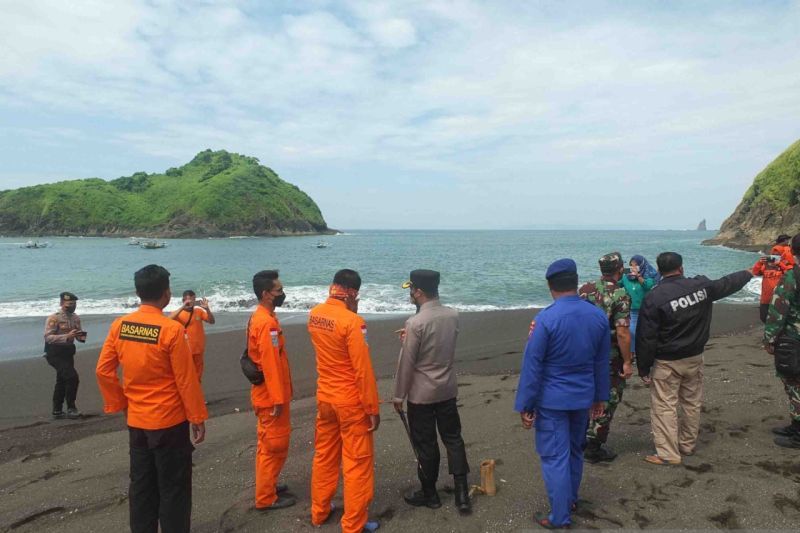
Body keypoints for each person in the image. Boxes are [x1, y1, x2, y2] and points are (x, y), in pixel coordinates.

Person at [96, 265, 208, 533]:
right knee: (173, 489)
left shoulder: (120, 325)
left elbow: (103, 370)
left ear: (138, 292)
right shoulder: (170, 330)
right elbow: (186, 379)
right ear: (167, 294)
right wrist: (197, 417)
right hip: (169, 422)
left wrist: (120, 404)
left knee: (142, 487)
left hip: (137, 422)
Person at [515, 258, 610, 529]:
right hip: (583, 396)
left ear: (550, 285)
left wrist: (526, 404)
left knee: (555, 456)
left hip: (552, 399)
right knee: (574, 451)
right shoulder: (597, 316)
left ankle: (560, 516)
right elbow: (601, 361)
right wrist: (600, 397)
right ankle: (570, 500)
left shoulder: (545, 318)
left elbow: (532, 365)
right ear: (576, 282)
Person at [636, 252, 752, 465]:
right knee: (691, 402)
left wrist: (643, 368)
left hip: (667, 361)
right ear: (681, 268)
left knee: (664, 406)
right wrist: (750, 272)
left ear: (660, 271)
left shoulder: (654, 297)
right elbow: (726, 284)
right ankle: (687, 445)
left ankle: (669, 454)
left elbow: (646, 336)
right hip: (694, 356)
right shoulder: (701, 286)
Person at [307, 269, 380, 533]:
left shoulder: (315, 315)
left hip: (325, 396)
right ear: (353, 293)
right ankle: (354, 524)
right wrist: (372, 407)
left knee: (324, 456)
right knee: (357, 461)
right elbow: (362, 369)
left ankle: (319, 511)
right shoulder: (353, 322)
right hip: (350, 402)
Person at [393, 269, 471, 514]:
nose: (410, 295)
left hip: (422, 393)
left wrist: (398, 395)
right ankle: (461, 495)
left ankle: (430, 494)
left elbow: (407, 363)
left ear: (418, 291)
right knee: (453, 438)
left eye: (411, 290)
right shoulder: (452, 315)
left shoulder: (415, 322)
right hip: (447, 387)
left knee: (426, 444)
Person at [578, 252, 633, 463]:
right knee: (608, 398)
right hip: (608, 356)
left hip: (583, 354)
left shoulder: (585, 289)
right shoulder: (620, 294)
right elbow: (622, 332)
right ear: (620, 269)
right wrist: (627, 361)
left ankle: (580, 437)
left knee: (585, 394)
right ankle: (594, 446)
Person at [248, 270, 295, 510]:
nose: (282, 294)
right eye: (278, 290)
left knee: (269, 444)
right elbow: (269, 363)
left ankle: (268, 485)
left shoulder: (263, 317)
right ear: (266, 294)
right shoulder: (266, 323)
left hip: (269, 394)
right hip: (270, 397)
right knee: (273, 445)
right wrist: (278, 399)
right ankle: (265, 497)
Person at [763, 234, 800, 449]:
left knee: (794, 383)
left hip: (794, 339)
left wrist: (769, 338)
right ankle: (795, 426)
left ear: (792, 252)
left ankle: (798, 433)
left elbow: (778, 311)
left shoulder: (792, 277)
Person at [44, 291, 86, 419]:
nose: (72, 306)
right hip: (54, 352)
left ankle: (57, 410)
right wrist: (66, 336)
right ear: (62, 303)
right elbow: (48, 337)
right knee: (72, 377)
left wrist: (80, 336)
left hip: (68, 352)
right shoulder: (54, 318)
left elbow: (79, 336)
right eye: (69, 304)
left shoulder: (75, 318)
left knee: (62, 380)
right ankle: (71, 408)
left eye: (74, 304)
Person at [168, 290, 215, 380]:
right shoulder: (178, 313)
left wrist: (207, 309)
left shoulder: (198, 311)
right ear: (183, 300)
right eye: (189, 300)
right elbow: (168, 320)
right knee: (186, 376)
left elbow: (212, 321)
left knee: (198, 376)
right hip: (185, 351)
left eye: (193, 299)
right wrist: (183, 306)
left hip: (198, 350)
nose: (191, 302)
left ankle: (196, 392)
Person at [620, 255, 657, 357]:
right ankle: (632, 352)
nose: (633, 267)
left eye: (636, 265)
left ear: (642, 265)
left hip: (646, 309)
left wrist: (638, 276)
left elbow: (647, 286)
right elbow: (616, 284)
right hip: (632, 310)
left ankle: (645, 352)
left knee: (645, 333)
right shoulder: (626, 278)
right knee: (631, 331)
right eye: (631, 265)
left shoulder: (648, 276)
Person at [753, 234, 794, 323]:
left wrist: (780, 264)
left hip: (779, 298)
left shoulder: (784, 266)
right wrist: (760, 262)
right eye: (774, 253)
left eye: (777, 253)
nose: (775, 254)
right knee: (764, 318)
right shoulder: (765, 265)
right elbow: (756, 272)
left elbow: (790, 272)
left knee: (779, 320)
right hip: (766, 298)